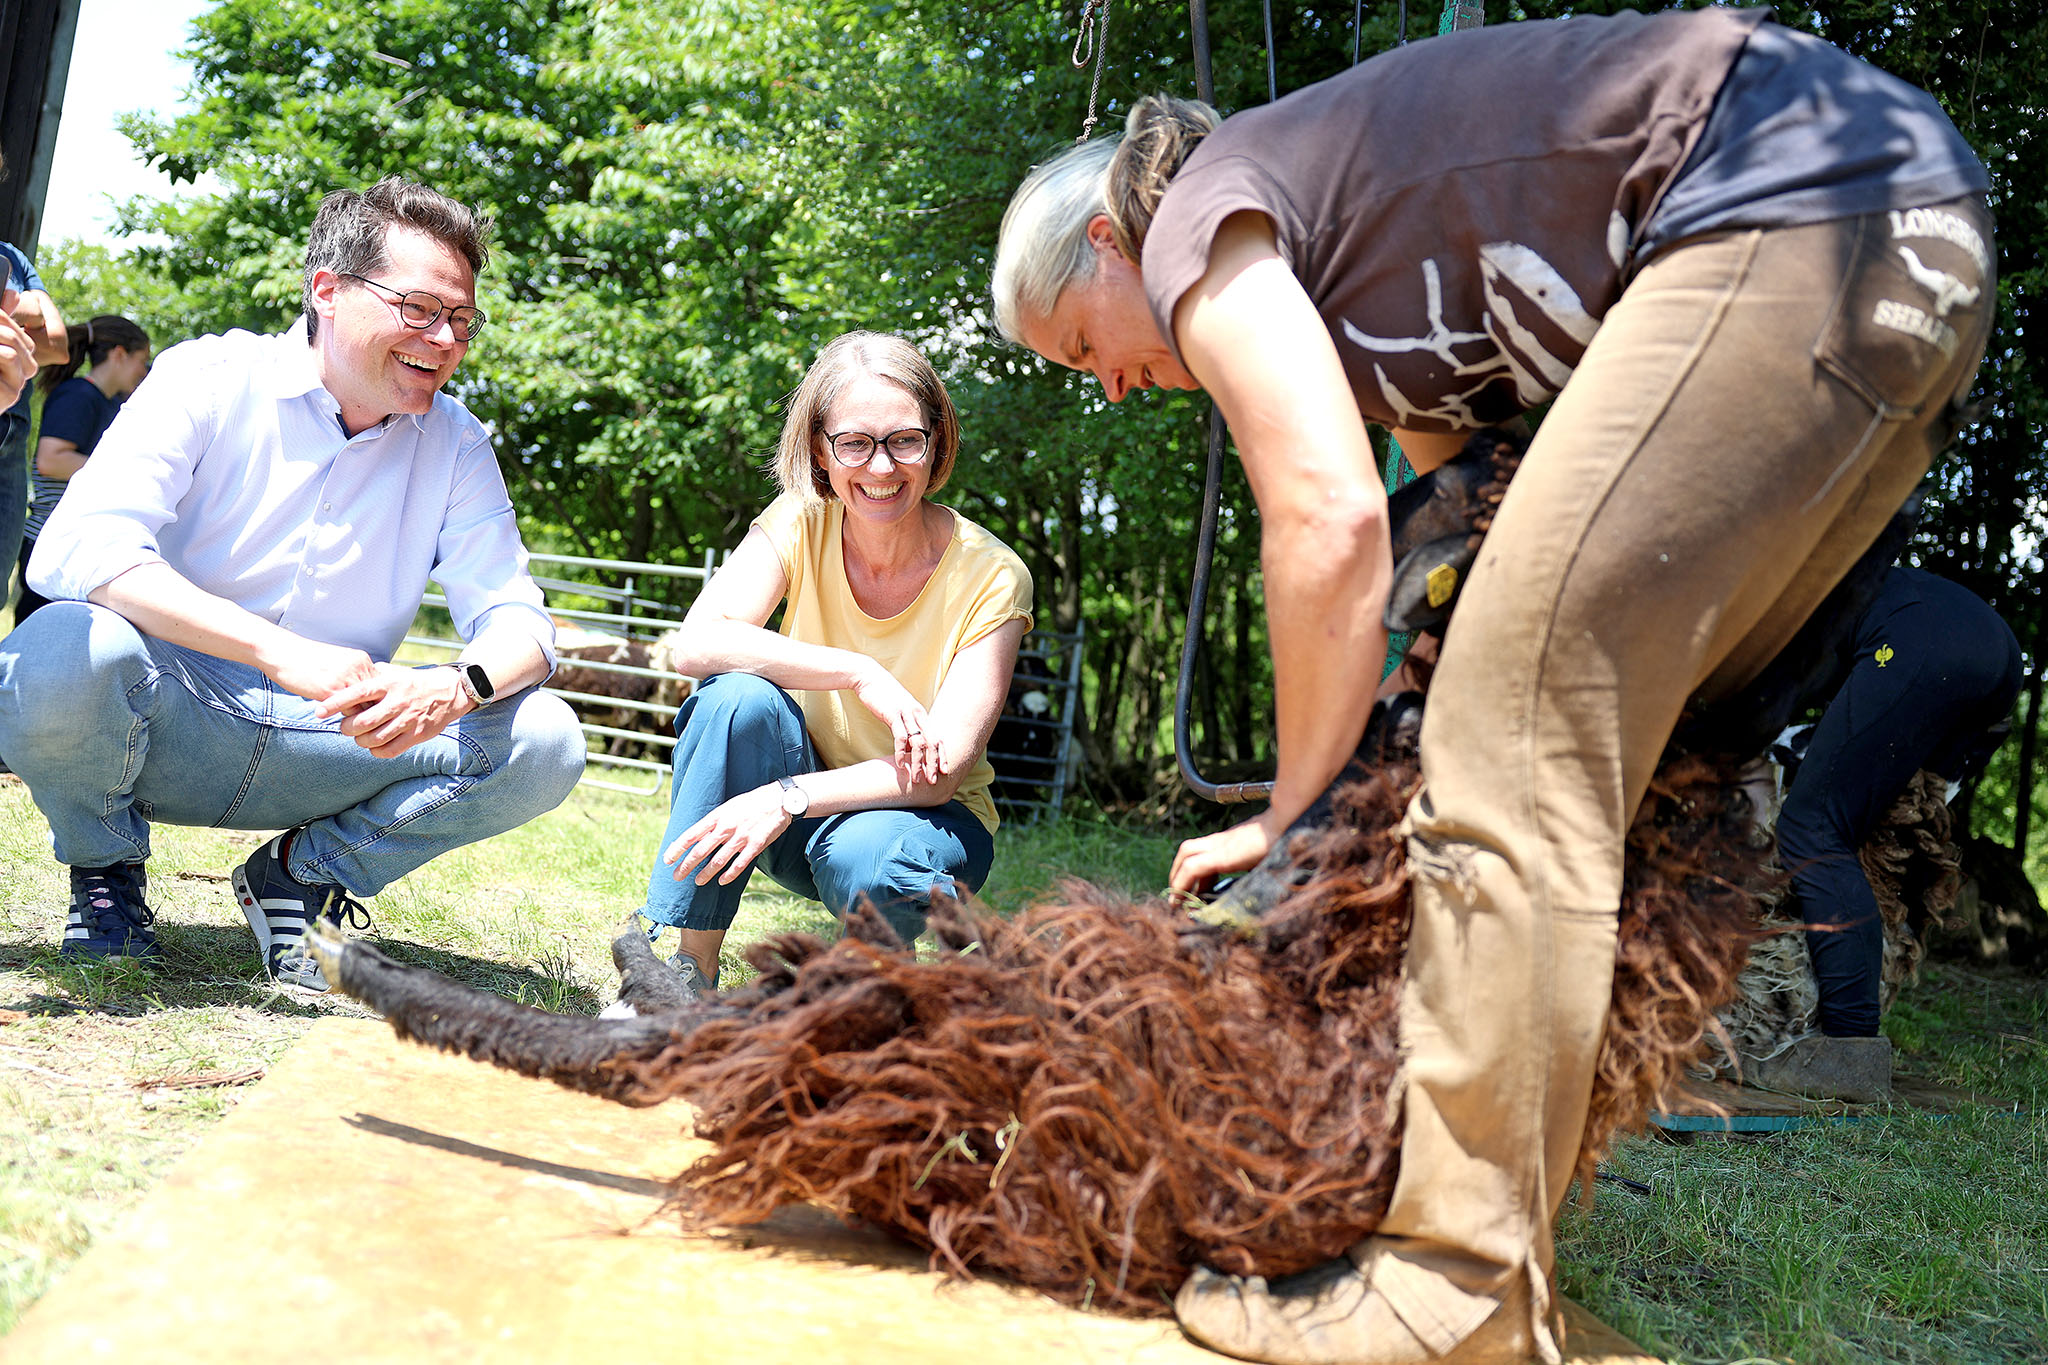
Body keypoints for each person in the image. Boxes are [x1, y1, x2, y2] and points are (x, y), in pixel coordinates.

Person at [992, 9, 1994, 1363]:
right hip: (1918, 240)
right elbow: (1447, 541)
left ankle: (1450, 1284)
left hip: (1787, 204)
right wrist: (1361, 786)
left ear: (1110, 243)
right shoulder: (1375, 289)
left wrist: (1293, 812)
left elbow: (1330, 521)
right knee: (1626, 760)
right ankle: (1485, 1232)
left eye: (1076, 345)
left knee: (1510, 739)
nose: (1107, 387)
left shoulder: (1195, 219)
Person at [0, 177, 586, 991]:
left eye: (461, 319)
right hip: (166, 713)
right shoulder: (206, 375)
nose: (446, 338)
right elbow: (76, 546)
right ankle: (106, 873)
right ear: (328, 291)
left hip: (338, 735)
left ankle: (299, 874)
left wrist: (456, 684)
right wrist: (276, 650)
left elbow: (521, 620)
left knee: (546, 737)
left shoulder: (456, 441)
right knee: (63, 643)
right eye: (419, 308)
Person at [639, 331, 1031, 997]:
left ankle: (862, 1006)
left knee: (867, 853)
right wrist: (857, 670)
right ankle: (685, 975)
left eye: (905, 439)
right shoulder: (800, 518)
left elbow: (938, 774)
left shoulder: (993, 574)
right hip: (796, 816)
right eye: (855, 442)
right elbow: (695, 644)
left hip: (916, 824)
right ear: (820, 448)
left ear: (936, 440)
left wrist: (785, 796)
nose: (881, 467)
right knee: (735, 699)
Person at [1762, 567, 2020, 1089]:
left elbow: (1774, 730)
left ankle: (1847, 1048)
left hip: (1923, 639)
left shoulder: (1768, 631)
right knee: (1869, 836)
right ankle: (1844, 1010)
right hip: (1996, 659)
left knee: (1812, 828)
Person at [14, 314, 153, 623]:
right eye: (141, 360)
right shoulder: (79, 395)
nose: (143, 372)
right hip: (51, 542)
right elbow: (51, 460)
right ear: (119, 354)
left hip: (74, 543)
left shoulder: (109, 402)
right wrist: (126, 472)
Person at [0, 230, 69, 589]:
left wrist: (18, 303)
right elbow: (39, 332)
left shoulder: (11, 256)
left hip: (10, 433)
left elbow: (57, 347)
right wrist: (31, 313)